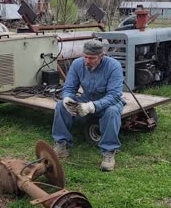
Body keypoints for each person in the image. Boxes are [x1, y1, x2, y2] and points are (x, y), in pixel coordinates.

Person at [52, 40, 124, 171]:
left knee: (112, 112)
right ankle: (61, 144)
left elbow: (114, 95)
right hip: (87, 98)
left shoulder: (114, 66)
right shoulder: (77, 64)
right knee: (60, 106)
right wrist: (67, 98)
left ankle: (109, 152)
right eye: (85, 56)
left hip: (108, 101)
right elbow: (69, 87)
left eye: (92, 58)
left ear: (102, 56)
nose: (87, 61)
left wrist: (92, 106)